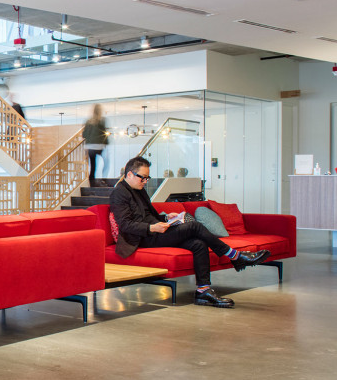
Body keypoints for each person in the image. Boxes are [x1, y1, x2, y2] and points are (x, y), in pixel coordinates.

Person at [109, 156, 270, 308]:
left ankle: (203, 291)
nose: (145, 181)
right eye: (142, 177)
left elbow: (149, 215)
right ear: (129, 174)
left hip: (155, 231)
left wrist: (165, 219)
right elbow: (125, 225)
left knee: (198, 244)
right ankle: (235, 256)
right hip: (141, 238)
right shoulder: (119, 193)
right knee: (194, 226)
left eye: (147, 178)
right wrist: (152, 228)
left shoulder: (140, 190)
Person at [82, 104, 109, 187]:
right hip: (99, 146)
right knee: (106, 161)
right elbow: (103, 133)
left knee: (93, 165)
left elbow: (84, 134)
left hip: (90, 146)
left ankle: (92, 183)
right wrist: (106, 143)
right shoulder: (102, 121)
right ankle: (103, 179)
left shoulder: (88, 121)